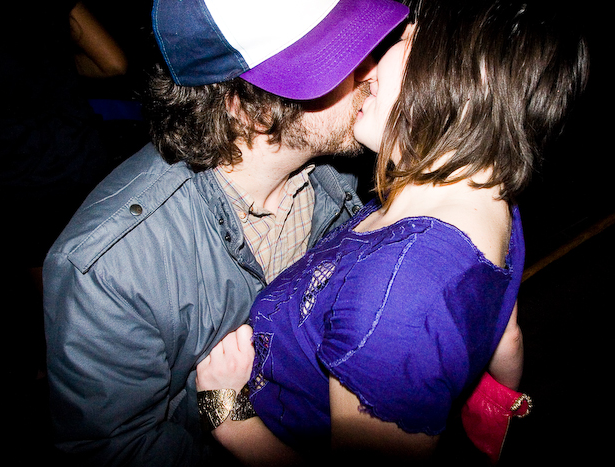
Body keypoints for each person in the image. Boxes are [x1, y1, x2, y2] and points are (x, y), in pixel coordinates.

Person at [195, 0, 590, 464]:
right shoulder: (494, 197)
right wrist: (492, 405)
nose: (371, 62)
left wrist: (229, 415)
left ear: (463, 85)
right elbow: (508, 335)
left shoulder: (396, 301)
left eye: (406, 39)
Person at [42, 0, 409, 465]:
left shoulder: (344, 178)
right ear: (248, 110)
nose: (373, 75)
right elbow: (115, 449)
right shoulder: (110, 268)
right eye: (340, 66)